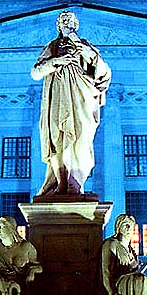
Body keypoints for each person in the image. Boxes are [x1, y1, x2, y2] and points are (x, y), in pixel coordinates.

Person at [31, 10, 111, 196]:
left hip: (81, 97)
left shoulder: (85, 45)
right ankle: (61, 182)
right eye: (63, 20)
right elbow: (35, 72)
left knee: (81, 138)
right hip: (58, 97)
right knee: (57, 137)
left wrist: (86, 51)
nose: (67, 23)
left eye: (70, 20)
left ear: (76, 25)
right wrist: (56, 61)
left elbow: (104, 72)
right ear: (58, 26)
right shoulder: (52, 47)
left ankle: (75, 181)